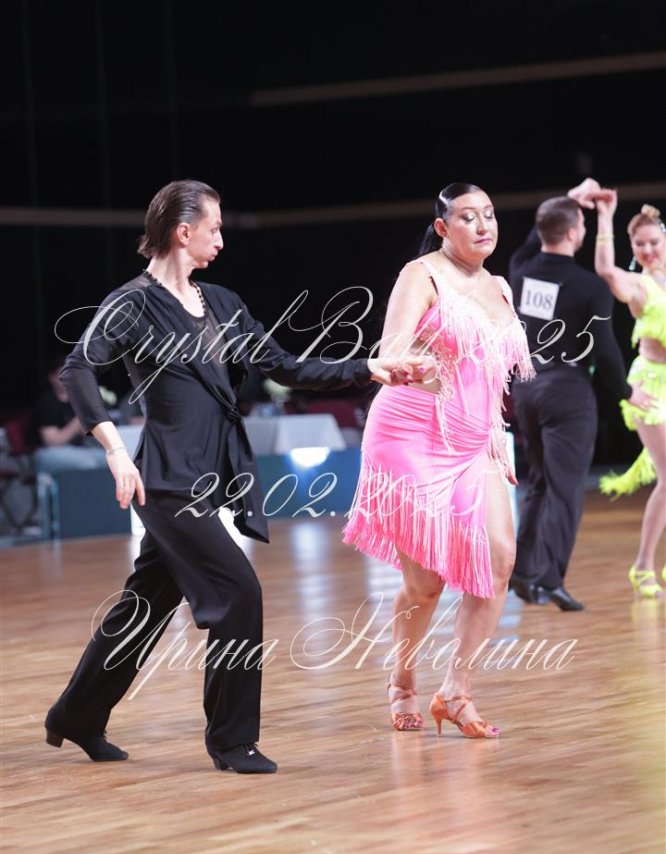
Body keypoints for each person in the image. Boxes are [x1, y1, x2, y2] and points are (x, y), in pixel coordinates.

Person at [44, 179, 434, 774]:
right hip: (166, 481)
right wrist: (115, 451)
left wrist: (370, 366)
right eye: (215, 228)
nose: (221, 239)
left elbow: (284, 365)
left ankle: (76, 715)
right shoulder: (132, 304)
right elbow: (78, 369)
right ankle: (231, 741)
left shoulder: (223, 303)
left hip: (210, 476)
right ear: (184, 232)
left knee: (143, 608)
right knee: (237, 594)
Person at [343, 182, 533, 738]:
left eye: (489, 214)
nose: (483, 225)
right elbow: (392, 347)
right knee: (426, 582)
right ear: (443, 228)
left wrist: (495, 433)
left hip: (475, 440)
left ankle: (455, 690)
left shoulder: (499, 287)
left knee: (498, 560)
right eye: (468, 217)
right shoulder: (421, 275)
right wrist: (407, 362)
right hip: (411, 434)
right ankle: (402, 679)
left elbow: (491, 374)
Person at [507, 179, 653, 611]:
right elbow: (605, 351)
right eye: (580, 226)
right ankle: (551, 579)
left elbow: (536, 235)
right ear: (574, 233)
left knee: (539, 482)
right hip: (567, 392)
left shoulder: (521, 268)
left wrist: (571, 198)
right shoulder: (589, 286)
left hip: (526, 388)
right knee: (566, 489)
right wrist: (627, 391)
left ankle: (523, 573)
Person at [593, 192, 666, 598]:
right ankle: (642, 566)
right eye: (640, 244)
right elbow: (606, 269)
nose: (648, 250)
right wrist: (605, 215)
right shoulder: (638, 286)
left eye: (654, 241)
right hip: (650, 386)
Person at [30, 355, 109, 473]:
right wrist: (78, 419)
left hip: (79, 450)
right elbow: (52, 442)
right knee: (88, 463)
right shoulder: (48, 403)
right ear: (51, 377)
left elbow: (86, 434)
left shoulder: (77, 399)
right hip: (48, 453)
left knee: (109, 459)